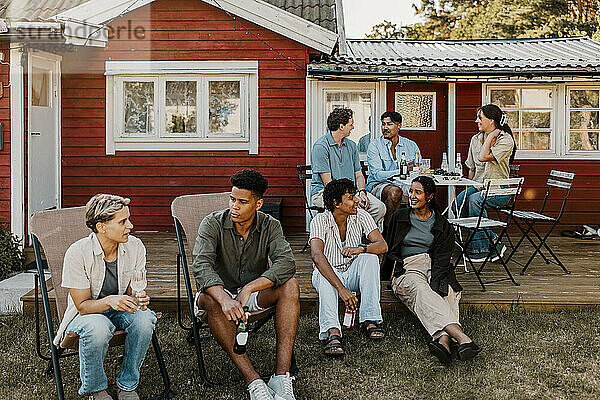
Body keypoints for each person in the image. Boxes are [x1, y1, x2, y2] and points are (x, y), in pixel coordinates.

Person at [192, 169, 299, 400]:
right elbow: (201, 266)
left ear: (258, 204)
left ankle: (281, 377)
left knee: (290, 285)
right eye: (232, 199)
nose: (234, 207)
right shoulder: (212, 223)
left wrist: (250, 287)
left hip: (252, 294)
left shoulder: (270, 225)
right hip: (217, 295)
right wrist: (225, 300)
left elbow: (287, 263)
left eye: (242, 202)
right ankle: (254, 380)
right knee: (209, 299)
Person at [56, 194, 156, 400]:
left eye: (128, 219)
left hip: (119, 308)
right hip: (86, 315)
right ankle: (96, 389)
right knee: (98, 326)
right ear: (102, 227)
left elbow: (132, 291)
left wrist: (139, 298)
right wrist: (110, 301)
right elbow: (82, 306)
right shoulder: (77, 252)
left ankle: (127, 385)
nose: (131, 225)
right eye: (123, 221)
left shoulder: (135, 246)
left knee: (145, 319)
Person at [383, 176, 480, 365]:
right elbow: (389, 247)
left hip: (435, 265)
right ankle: (462, 339)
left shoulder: (442, 224)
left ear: (429, 196)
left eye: (417, 192)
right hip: (408, 267)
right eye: (410, 191)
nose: (411, 196)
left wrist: (437, 281)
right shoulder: (399, 217)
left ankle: (443, 341)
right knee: (422, 291)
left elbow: (443, 259)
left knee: (450, 292)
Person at [310, 178, 388, 357]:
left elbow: (382, 245)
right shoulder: (320, 220)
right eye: (351, 198)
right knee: (323, 274)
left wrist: (362, 248)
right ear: (336, 203)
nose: (357, 201)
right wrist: (342, 290)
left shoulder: (361, 215)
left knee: (370, 259)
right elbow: (316, 255)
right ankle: (332, 332)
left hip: (352, 270)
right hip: (330, 275)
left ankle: (369, 319)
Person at [454, 104, 517, 262]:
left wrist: (490, 136)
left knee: (475, 201)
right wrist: (468, 187)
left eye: (480, 118)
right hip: (478, 186)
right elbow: (472, 168)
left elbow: (483, 156)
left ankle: (481, 249)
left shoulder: (505, 140)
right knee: (458, 204)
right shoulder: (475, 139)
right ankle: (493, 239)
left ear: (492, 121)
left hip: (499, 189)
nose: (476, 121)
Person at [311, 107, 386, 228]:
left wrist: (361, 193)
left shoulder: (351, 145)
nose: (353, 127)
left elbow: (358, 174)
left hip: (352, 192)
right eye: (351, 124)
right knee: (349, 206)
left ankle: (357, 234)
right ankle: (348, 237)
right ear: (341, 126)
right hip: (324, 193)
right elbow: (329, 184)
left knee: (379, 207)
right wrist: (351, 198)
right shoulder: (321, 146)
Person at [367, 111, 422, 228]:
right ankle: (388, 233)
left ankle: (418, 231)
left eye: (389, 124)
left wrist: (410, 170)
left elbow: (418, 169)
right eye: (383, 124)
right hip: (379, 185)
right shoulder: (375, 145)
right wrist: (403, 169)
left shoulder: (411, 145)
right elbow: (377, 175)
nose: (385, 127)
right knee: (394, 192)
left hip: (404, 184)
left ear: (399, 126)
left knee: (423, 193)